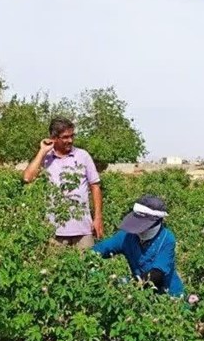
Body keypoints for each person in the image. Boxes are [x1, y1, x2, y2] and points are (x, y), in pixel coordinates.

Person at [22, 118, 103, 250]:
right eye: (65, 137)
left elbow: (95, 186)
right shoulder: (46, 159)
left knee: (88, 267)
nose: (70, 140)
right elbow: (27, 178)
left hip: (83, 229)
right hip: (54, 230)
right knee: (54, 268)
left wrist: (98, 217)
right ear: (54, 138)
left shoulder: (83, 156)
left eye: (72, 136)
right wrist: (42, 151)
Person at [93, 195, 184, 297]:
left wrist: (126, 285)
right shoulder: (127, 236)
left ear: (158, 222)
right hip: (139, 294)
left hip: (169, 297)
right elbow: (97, 251)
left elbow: (156, 274)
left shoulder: (167, 239)